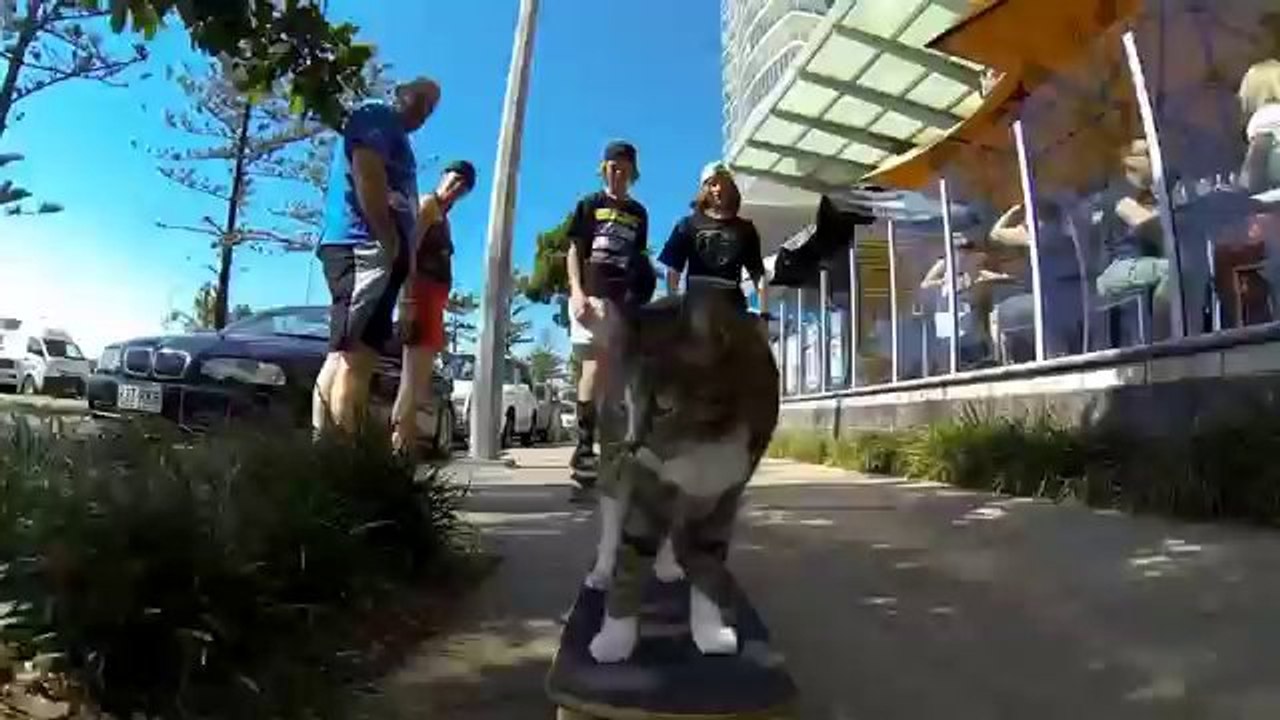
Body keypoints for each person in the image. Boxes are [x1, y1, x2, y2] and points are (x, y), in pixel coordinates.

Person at [311, 78, 440, 438]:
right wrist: (386, 238)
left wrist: (405, 270)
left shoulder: (398, 140)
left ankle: (322, 456)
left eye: (431, 108)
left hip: (374, 250)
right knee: (357, 358)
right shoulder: (377, 115)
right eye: (421, 100)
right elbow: (366, 167)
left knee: (342, 354)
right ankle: (343, 463)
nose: (424, 112)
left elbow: (408, 215)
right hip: (363, 244)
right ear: (400, 93)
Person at [565, 141, 650, 482]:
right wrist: (576, 291)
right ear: (604, 169)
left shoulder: (638, 213)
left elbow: (638, 260)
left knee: (615, 375)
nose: (618, 173)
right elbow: (574, 250)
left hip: (622, 301)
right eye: (612, 167)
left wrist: (637, 300)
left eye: (624, 169)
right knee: (595, 365)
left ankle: (607, 450)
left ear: (632, 173)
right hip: (592, 293)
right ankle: (585, 448)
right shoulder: (590, 204)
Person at [390, 160, 477, 456]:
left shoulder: (444, 216)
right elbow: (409, 250)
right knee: (413, 379)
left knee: (420, 380)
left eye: (463, 188)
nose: (456, 189)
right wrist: (407, 300)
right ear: (442, 177)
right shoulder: (428, 205)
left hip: (434, 302)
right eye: (454, 181)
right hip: (421, 298)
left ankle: (404, 445)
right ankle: (399, 445)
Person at [658, 161, 768, 319]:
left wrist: (764, 314)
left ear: (732, 188)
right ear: (704, 189)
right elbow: (673, 271)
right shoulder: (687, 225)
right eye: (713, 184)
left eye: (724, 183)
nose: (719, 189)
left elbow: (758, 275)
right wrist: (672, 309)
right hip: (697, 310)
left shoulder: (746, 229)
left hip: (733, 311)